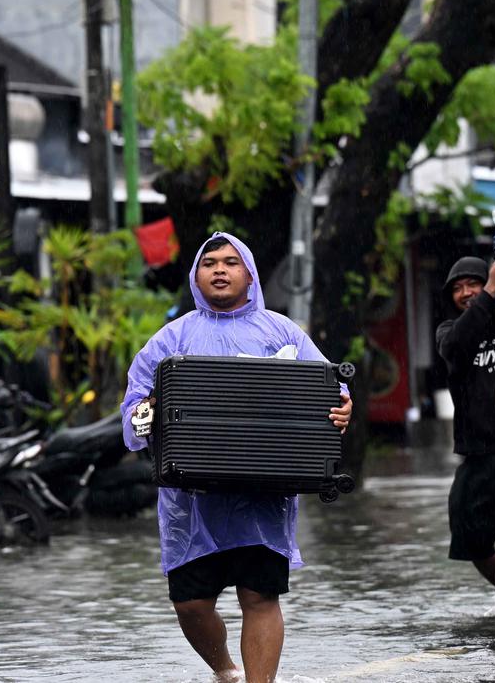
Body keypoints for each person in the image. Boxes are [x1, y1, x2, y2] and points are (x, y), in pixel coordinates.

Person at [120, 233, 352, 683]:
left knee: (260, 596)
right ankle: (225, 669)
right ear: (196, 275)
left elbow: (331, 388)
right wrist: (144, 413)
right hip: (191, 505)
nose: (220, 270)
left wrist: (342, 407)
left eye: (231, 262)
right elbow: (134, 406)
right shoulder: (172, 337)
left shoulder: (283, 331)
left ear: (250, 274)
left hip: (262, 499)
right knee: (190, 604)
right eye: (209, 263)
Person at [434, 255, 495, 612]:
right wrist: (489, 289)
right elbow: (455, 349)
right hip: (475, 453)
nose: (466, 292)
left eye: (473, 283)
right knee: (470, 540)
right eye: (458, 288)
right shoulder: (449, 331)